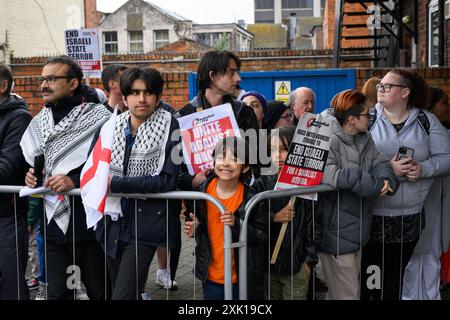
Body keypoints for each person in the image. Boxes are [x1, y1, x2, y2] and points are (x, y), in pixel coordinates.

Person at [21, 56, 111, 300]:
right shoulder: (40, 120)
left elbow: (111, 164)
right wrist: (31, 178)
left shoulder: (100, 117)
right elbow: (36, 165)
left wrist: (75, 180)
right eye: (42, 79)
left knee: (100, 292)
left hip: (90, 225)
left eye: (51, 79)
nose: (44, 85)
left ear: (73, 83)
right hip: (52, 226)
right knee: (58, 293)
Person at [92, 67, 180, 300]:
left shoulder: (171, 126)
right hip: (111, 222)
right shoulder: (110, 126)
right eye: (135, 92)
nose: (142, 99)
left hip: (147, 224)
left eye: (148, 92)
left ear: (158, 97)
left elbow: (167, 180)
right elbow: (92, 170)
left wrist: (117, 184)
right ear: (124, 96)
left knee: (122, 295)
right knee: (121, 293)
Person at [361, 70, 450, 300]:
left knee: (396, 277)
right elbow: (353, 160)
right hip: (373, 215)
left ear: (405, 92)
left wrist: (423, 169)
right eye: (380, 84)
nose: (381, 88)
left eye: (388, 86)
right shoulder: (367, 118)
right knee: (373, 277)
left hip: (410, 217)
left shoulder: (426, 121)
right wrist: (388, 168)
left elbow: (446, 158)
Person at [317, 89, 399, 300]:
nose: (370, 117)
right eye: (366, 114)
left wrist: (387, 180)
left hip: (358, 230)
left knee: (344, 293)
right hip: (335, 233)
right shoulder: (326, 137)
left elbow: (380, 162)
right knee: (347, 295)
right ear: (352, 119)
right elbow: (329, 174)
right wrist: (371, 183)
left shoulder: (365, 138)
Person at [184, 137, 267, 300]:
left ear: (245, 167)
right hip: (211, 278)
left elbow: (262, 236)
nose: (226, 163)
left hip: (243, 280)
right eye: (221, 157)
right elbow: (200, 226)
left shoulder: (252, 198)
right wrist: (195, 226)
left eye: (234, 159)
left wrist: (236, 224)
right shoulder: (202, 192)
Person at [174, 50, 259, 191]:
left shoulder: (243, 112)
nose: (238, 78)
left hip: (239, 200)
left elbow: (258, 158)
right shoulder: (182, 117)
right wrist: (192, 181)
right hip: (200, 204)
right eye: (231, 73)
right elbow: (174, 170)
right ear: (212, 76)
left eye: (237, 72)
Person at [253, 127, 316, 300]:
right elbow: (250, 218)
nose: (277, 156)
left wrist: (309, 261)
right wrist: (273, 217)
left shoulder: (306, 183)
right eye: (272, 150)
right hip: (268, 265)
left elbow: (314, 223)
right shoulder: (261, 183)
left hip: (297, 265)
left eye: (283, 150)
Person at [402, 87, 450, 299]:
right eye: (444, 103)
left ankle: (430, 295)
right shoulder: (421, 127)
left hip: (437, 200)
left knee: (432, 254)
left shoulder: (441, 129)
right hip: (418, 198)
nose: (447, 108)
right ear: (430, 106)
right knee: (414, 255)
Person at [0, 63, 32, 300]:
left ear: (2, 86)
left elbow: (7, 169)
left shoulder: (18, 118)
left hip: (6, 216)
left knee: (11, 286)